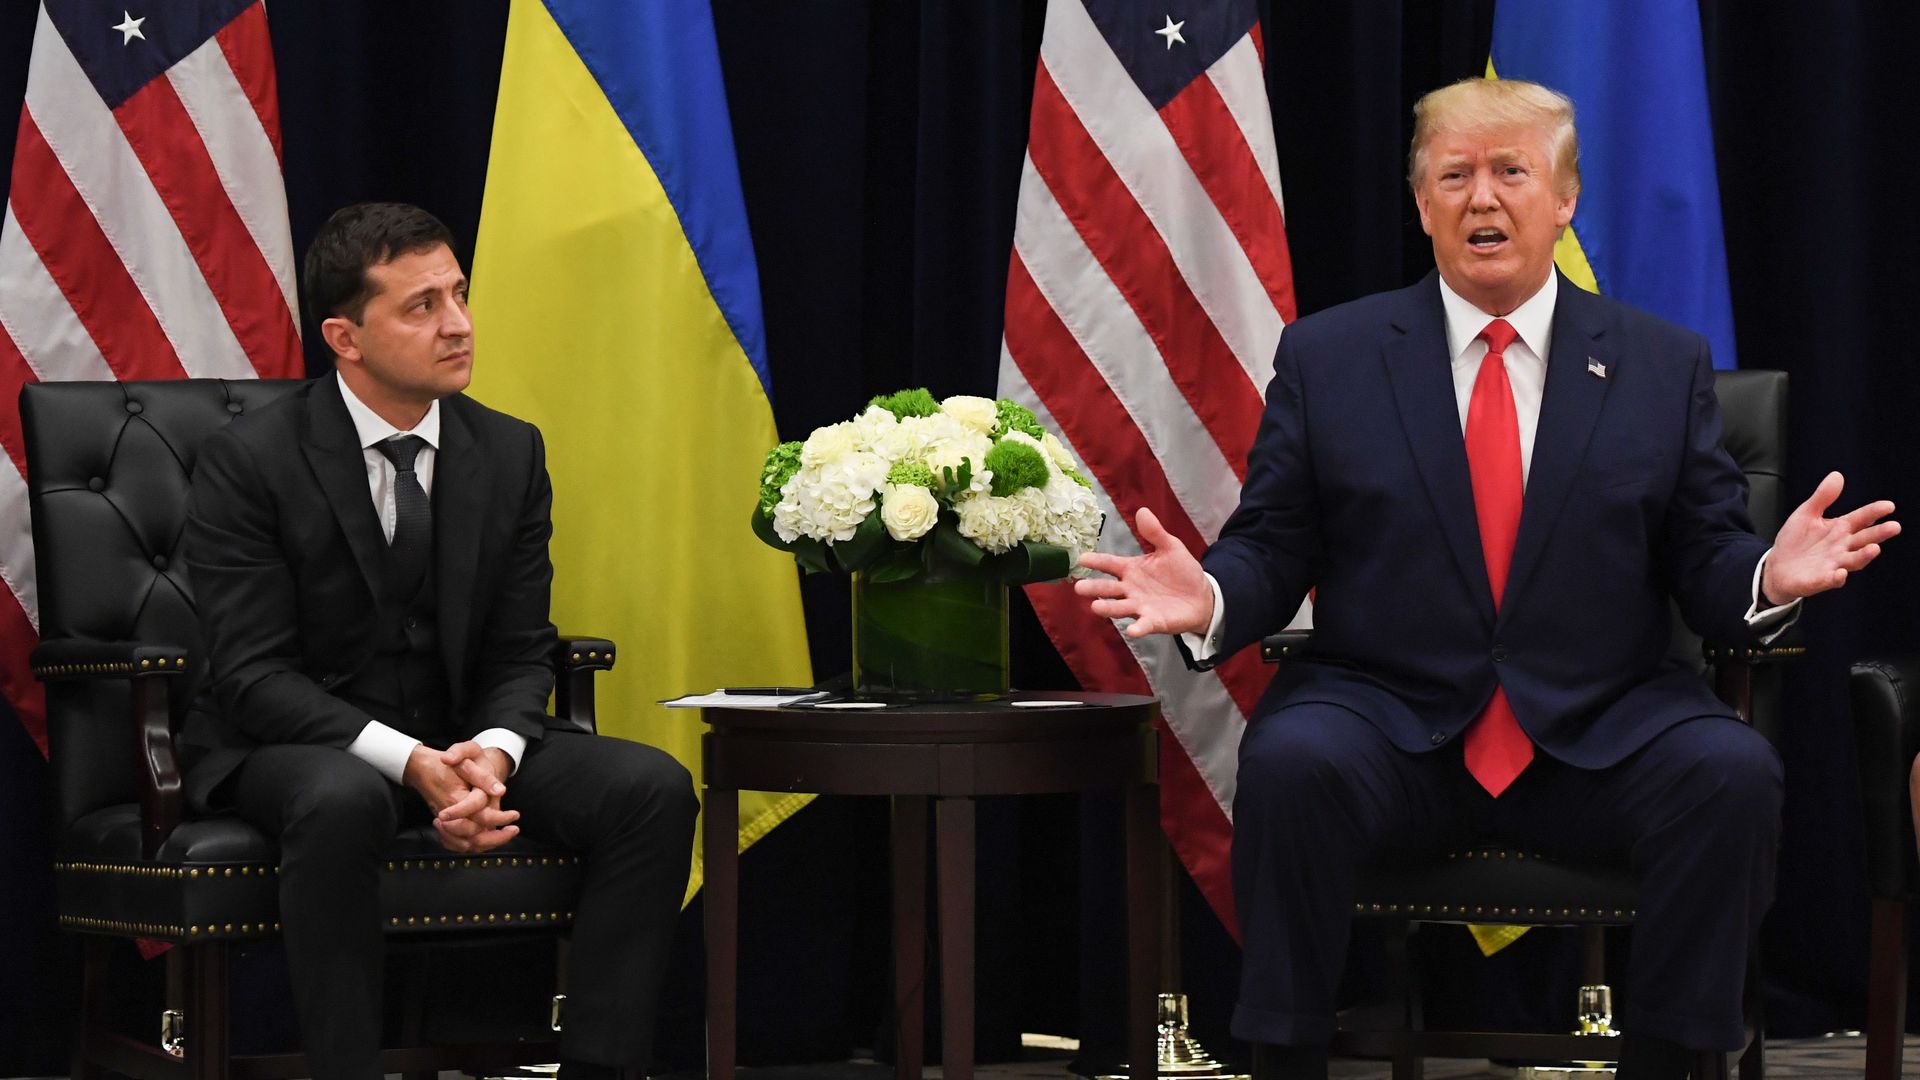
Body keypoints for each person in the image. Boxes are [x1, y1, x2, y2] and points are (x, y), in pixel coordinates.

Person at [1075, 78, 1898, 1080]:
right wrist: (1210, 597)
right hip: (1388, 723)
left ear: (1565, 199)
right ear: (1421, 204)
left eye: (1512, 172)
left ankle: (1675, 1061)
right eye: (1454, 175)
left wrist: (1769, 572)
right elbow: (1272, 544)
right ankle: (1282, 1058)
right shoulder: (1331, 358)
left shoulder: (1657, 363)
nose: (1482, 199)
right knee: (1291, 762)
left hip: (1599, 731)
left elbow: (1707, 559)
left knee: (1730, 778)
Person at [181, 202, 697, 1080]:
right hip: (298, 742)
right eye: (422, 306)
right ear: (345, 336)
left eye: (459, 295)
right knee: (342, 799)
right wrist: (411, 760)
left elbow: (521, 647)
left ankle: (602, 1069)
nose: (458, 325)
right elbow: (252, 674)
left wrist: (492, 755)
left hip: (462, 732)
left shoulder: (509, 451)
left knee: (652, 788)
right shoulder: (251, 460)